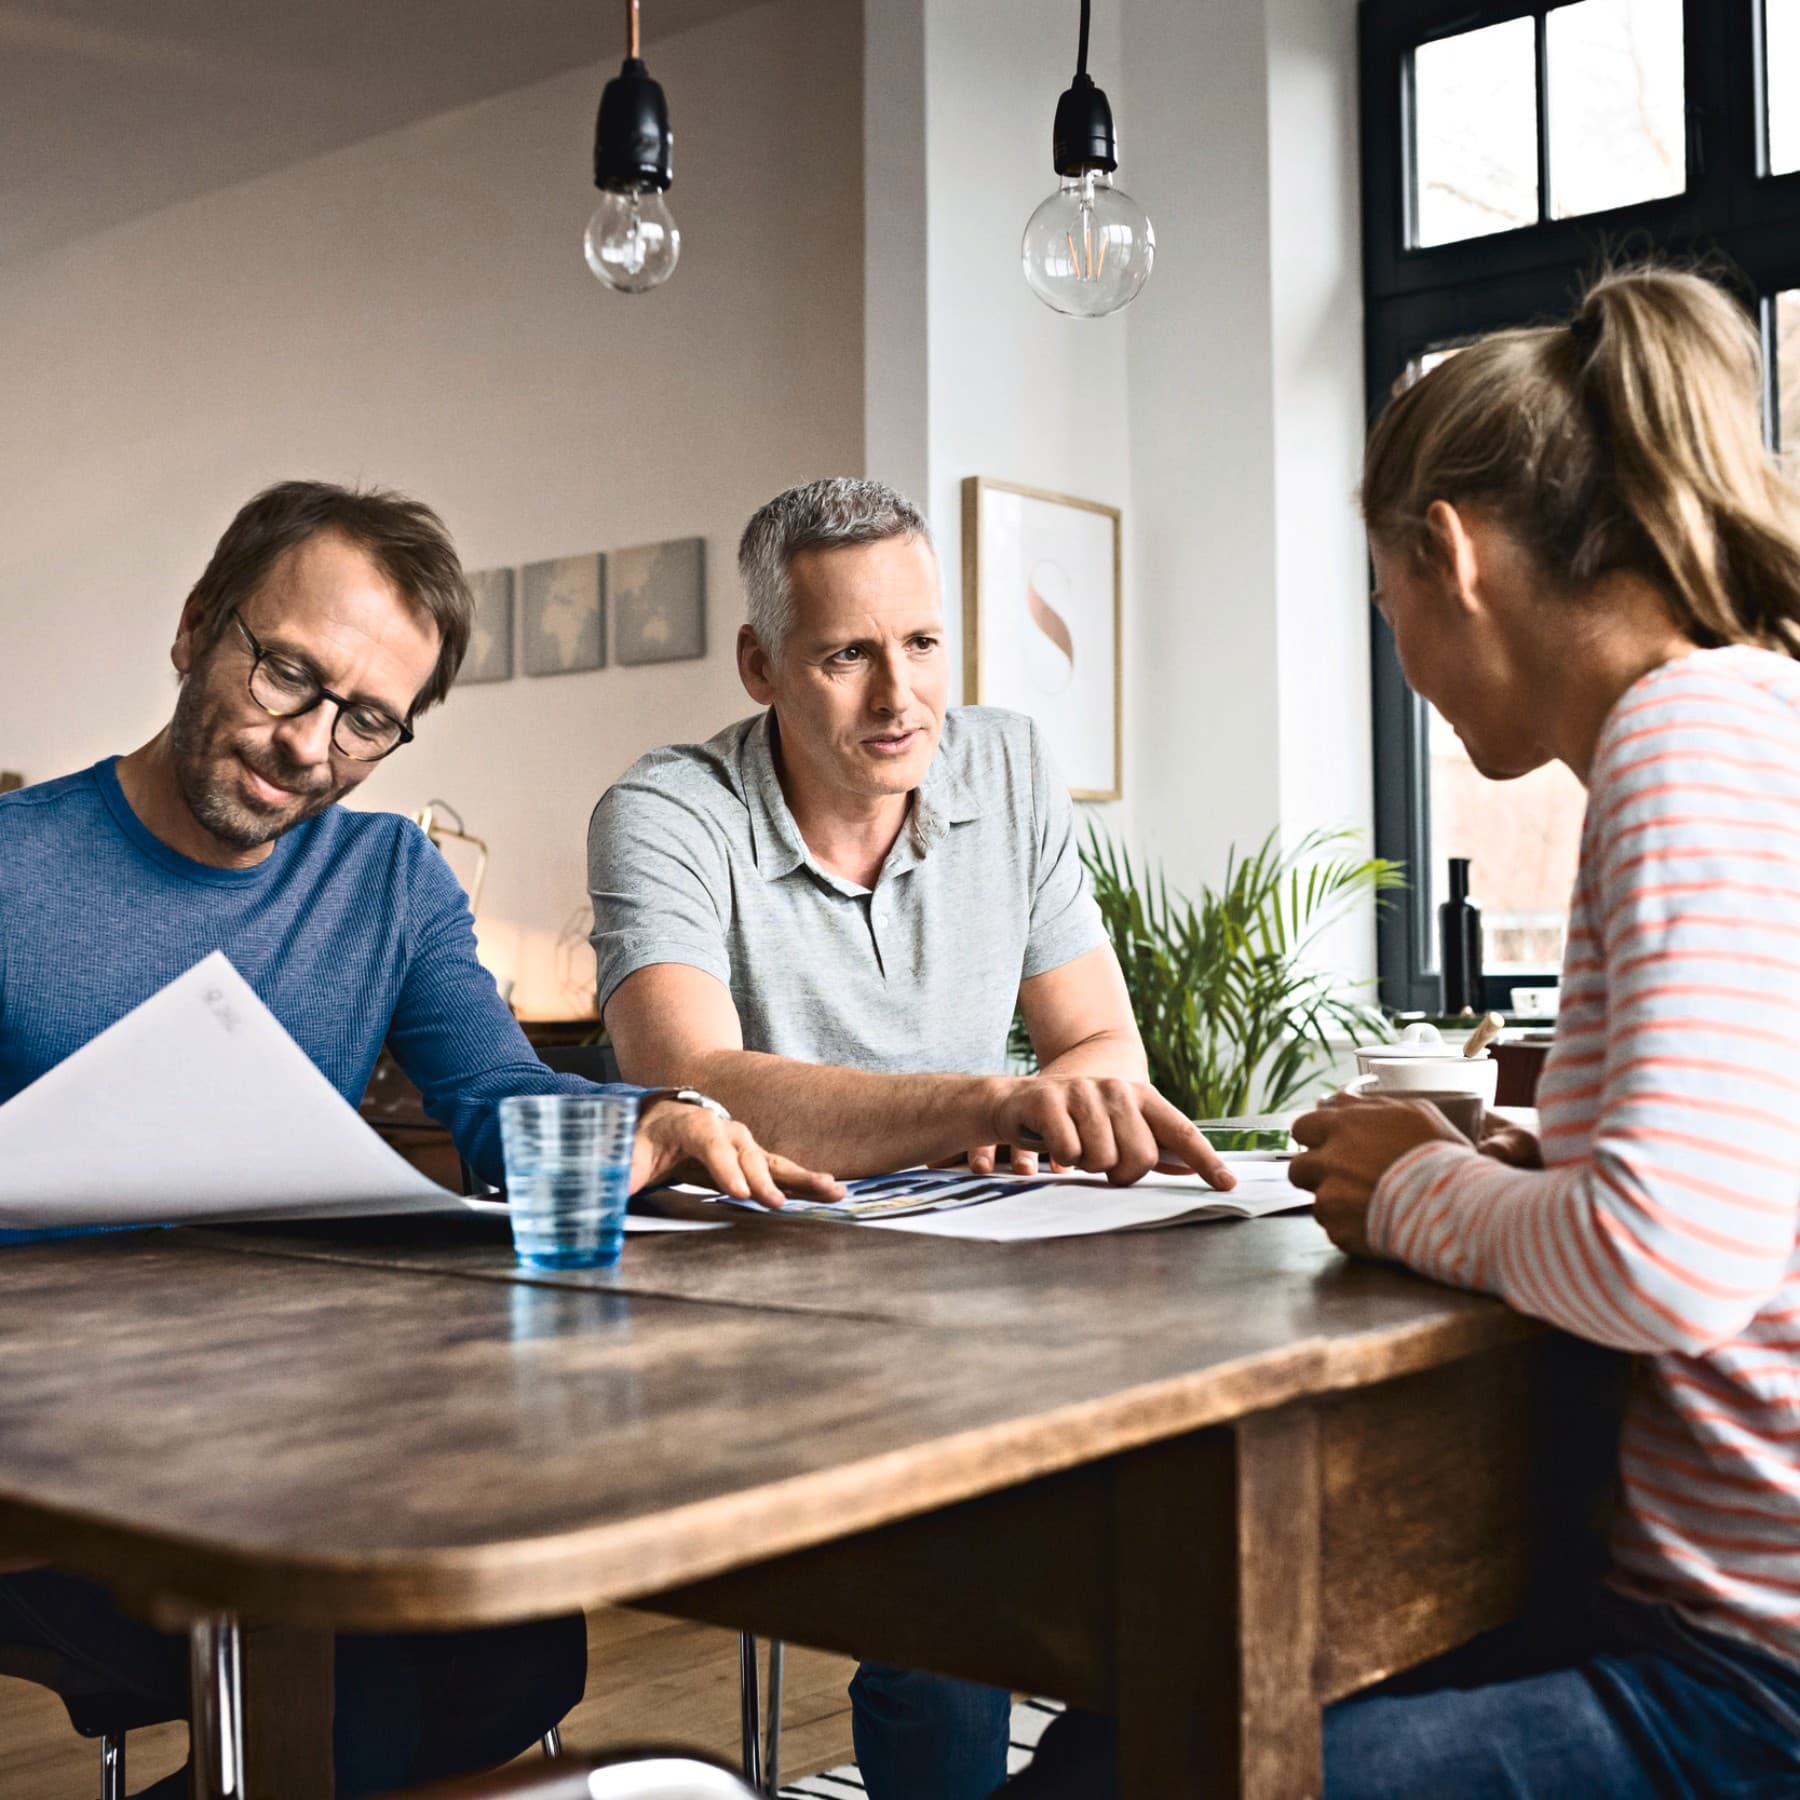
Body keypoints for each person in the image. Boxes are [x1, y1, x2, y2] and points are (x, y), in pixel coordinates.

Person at [1007, 268, 1800, 1797]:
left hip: (1745, 1679)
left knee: (1118, 1776)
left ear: (1450, 553)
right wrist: (1519, 1161)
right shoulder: (1752, 714)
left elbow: (1671, 1260)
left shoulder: (1680, 738)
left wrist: (1415, 1189)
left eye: (1386, 604)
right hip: (1707, 1618)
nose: (1404, 660)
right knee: (1122, 1723)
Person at [0, 479, 832, 1800]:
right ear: (196, 626)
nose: (308, 746)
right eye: (287, 674)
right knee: (363, 1693)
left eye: (367, 720)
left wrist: (656, 1120)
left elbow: (501, 1102)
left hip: (295, 1436)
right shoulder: (13, 871)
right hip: (52, 1474)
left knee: (518, 1655)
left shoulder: (387, 876)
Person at [588, 475, 1233, 1800]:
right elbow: (688, 1078)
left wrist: (1065, 1105)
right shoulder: (666, 812)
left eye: (924, 644)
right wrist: (986, 1104)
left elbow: (1100, 1042)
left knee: (1195, 1520)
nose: (901, 699)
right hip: (756, 1324)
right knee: (966, 1575)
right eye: (847, 656)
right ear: (761, 665)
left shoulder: (1006, 767)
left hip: (986, 1293)